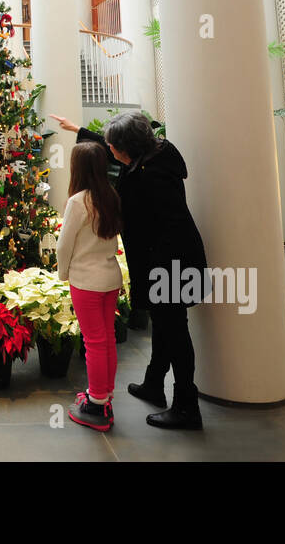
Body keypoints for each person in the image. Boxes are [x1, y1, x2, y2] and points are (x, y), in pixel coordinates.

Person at [49, 111, 208, 430]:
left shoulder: (143, 180)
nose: (109, 149)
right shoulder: (162, 151)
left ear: (128, 149)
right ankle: (153, 383)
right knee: (164, 325)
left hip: (170, 263)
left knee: (175, 331)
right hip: (177, 255)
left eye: (113, 145)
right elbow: (114, 153)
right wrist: (79, 131)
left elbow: (119, 179)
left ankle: (186, 406)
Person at [57, 142, 124, 432]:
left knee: (93, 342)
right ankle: (105, 393)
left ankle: (96, 402)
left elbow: (64, 245)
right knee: (107, 338)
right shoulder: (110, 195)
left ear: (78, 168)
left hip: (86, 281)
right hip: (110, 278)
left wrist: (62, 274)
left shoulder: (77, 202)